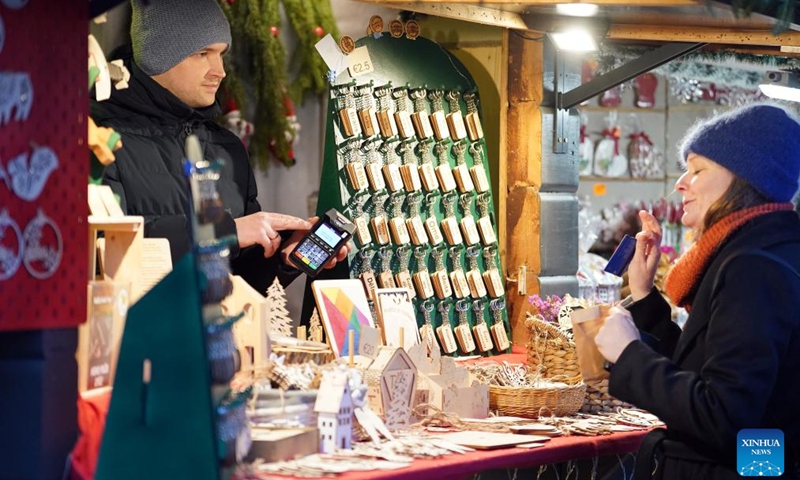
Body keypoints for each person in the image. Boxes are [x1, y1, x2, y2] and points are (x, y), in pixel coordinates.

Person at [594, 103, 800, 480]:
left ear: (744, 178)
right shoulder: (759, 251)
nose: (680, 183)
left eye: (697, 169)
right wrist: (644, 296)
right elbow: (706, 370)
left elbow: (724, 416)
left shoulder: (754, 267)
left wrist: (629, 354)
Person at [92, 0, 345, 293]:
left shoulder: (228, 148)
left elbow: (241, 285)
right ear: (158, 56)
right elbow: (106, 250)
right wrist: (225, 231)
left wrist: (284, 258)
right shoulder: (101, 139)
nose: (220, 71)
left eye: (221, 54)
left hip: (221, 337)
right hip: (138, 335)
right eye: (203, 54)